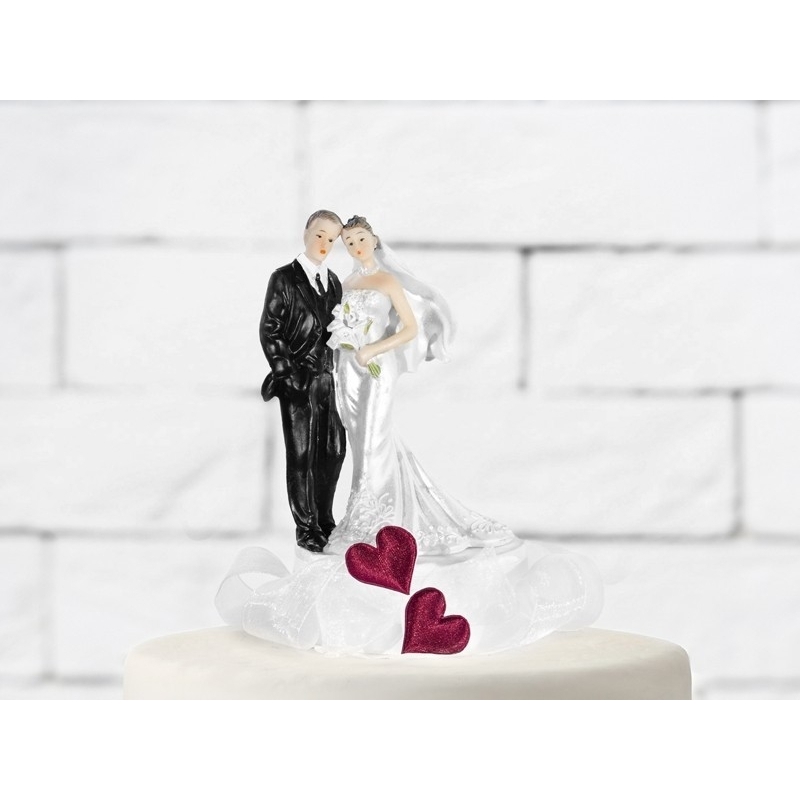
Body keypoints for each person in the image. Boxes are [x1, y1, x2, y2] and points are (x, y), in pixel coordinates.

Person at [324, 216, 517, 555]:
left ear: (374, 240)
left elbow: (409, 328)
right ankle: (368, 512)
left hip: (375, 367)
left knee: (373, 438)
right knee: (358, 440)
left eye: (361, 239)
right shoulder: (347, 283)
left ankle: (371, 521)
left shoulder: (387, 280)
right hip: (347, 367)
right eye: (349, 242)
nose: (356, 246)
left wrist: (373, 348)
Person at [259, 210, 347, 553]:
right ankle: (307, 527)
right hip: (298, 380)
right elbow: (270, 329)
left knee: (334, 451)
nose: (324, 243)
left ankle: (325, 518)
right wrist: (287, 372)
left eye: (331, 238)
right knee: (302, 455)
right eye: (319, 234)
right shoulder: (284, 278)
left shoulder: (334, 282)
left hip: (329, 379)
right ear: (306, 233)